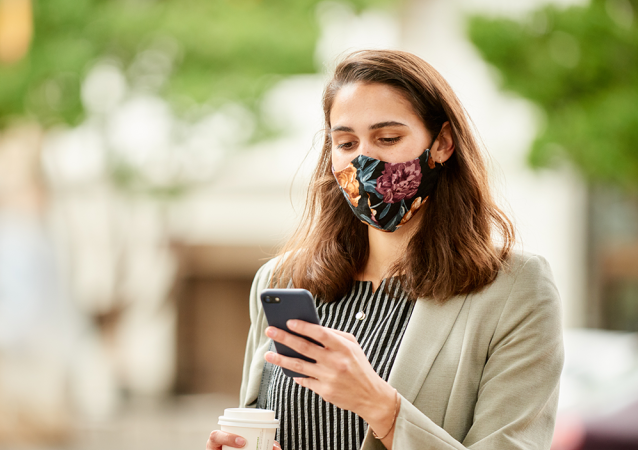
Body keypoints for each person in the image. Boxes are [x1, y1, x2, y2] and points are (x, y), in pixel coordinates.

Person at [206, 49, 563, 450]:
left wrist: (381, 408)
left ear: (443, 143)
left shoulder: (515, 288)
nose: (364, 161)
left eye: (388, 138)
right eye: (345, 142)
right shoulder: (280, 280)